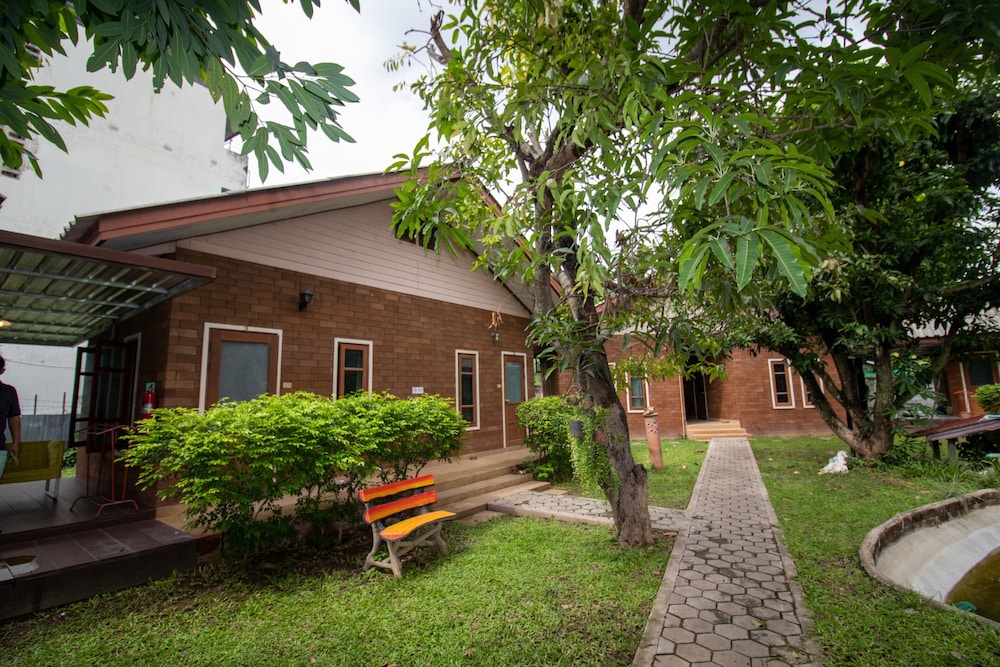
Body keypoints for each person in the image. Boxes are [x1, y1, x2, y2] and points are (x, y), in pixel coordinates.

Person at [0, 355, 22, 483]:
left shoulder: (8, 392)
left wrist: (16, 442)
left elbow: (14, 416)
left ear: (2, 371)